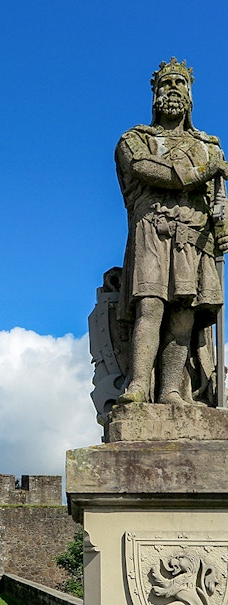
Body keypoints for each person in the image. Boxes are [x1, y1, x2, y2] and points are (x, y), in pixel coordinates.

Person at [116, 58, 228, 406]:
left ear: (190, 95)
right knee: (150, 306)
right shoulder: (135, 140)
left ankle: (171, 391)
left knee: (184, 316)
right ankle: (137, 386)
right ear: (155, 95)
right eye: (166, 84)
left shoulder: (209, 145)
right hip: (153, 232)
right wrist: (206, 169)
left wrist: (224, 227)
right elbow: (148, 170)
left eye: (180, 83)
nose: (173, 89)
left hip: (196, 240)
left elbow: (217, 203)